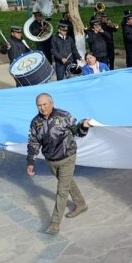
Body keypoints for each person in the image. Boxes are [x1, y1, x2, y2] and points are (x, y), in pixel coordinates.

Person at [26, 93, 91, 234]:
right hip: (50, 160)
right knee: (67, 183)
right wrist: (31, 161)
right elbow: (33, 142)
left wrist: (84, 126)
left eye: (45, 104)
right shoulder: (35, 122)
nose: (42, 108)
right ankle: (81, 204)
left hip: (67, 157)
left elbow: (77, 131)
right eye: (39, 105)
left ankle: (54, 223)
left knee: (62, 191)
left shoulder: (63, 115)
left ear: (52, 103)